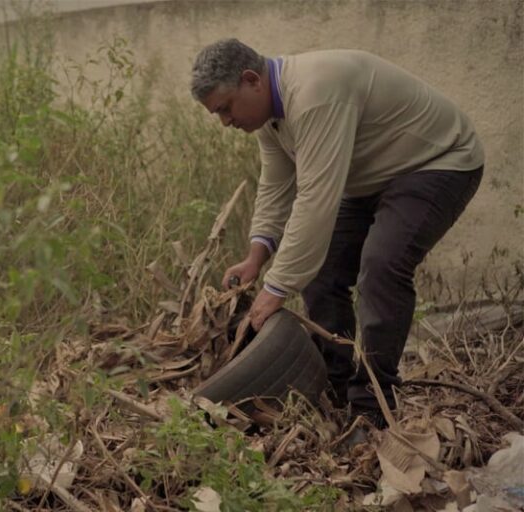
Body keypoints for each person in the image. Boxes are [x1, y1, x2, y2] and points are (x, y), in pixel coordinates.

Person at [190, 39, 484, 426]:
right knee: (322, 270)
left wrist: (274, 290)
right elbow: (277, 186)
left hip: (438, 161)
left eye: (226, 108)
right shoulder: (270, 117)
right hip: (370, 178)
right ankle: (337, 385)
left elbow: (315, 199)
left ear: (251, 80)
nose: (226, 121)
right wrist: (256, 258)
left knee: (382, 267)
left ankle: (372, 405)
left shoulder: (314, 92)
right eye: (218, 114)